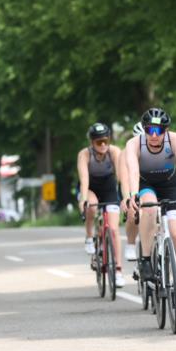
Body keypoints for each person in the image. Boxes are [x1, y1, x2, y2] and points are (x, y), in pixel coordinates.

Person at [124, 108, 176, 309]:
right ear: (144, 130)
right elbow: (133, 171)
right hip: (146, 185)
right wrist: (133, 195)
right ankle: (145, 259)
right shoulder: (134, 144)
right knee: (150, 208)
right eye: (150, 130)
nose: (154, 136)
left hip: (171, 185)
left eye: (159, 131)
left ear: (166, 130)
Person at [78, 122, 128, 288]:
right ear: (92, 142)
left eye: (106, 141)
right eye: (99, 142)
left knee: (113, 230)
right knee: (92, 206)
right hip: (91, 187)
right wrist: (83, 200)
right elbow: (84, 179)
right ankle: (89, 237)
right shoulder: (84, 155)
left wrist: (125, 198)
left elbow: (121, 178)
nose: (103, 145)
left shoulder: (114, 152)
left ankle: (118, 270)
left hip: (108, 187)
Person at [122, 122, 144, 262]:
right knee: (133, 211)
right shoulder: (127, 152)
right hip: (131, 185)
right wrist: (127, 197)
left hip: (150, 185)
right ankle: (131, 243)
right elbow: (125, 177)